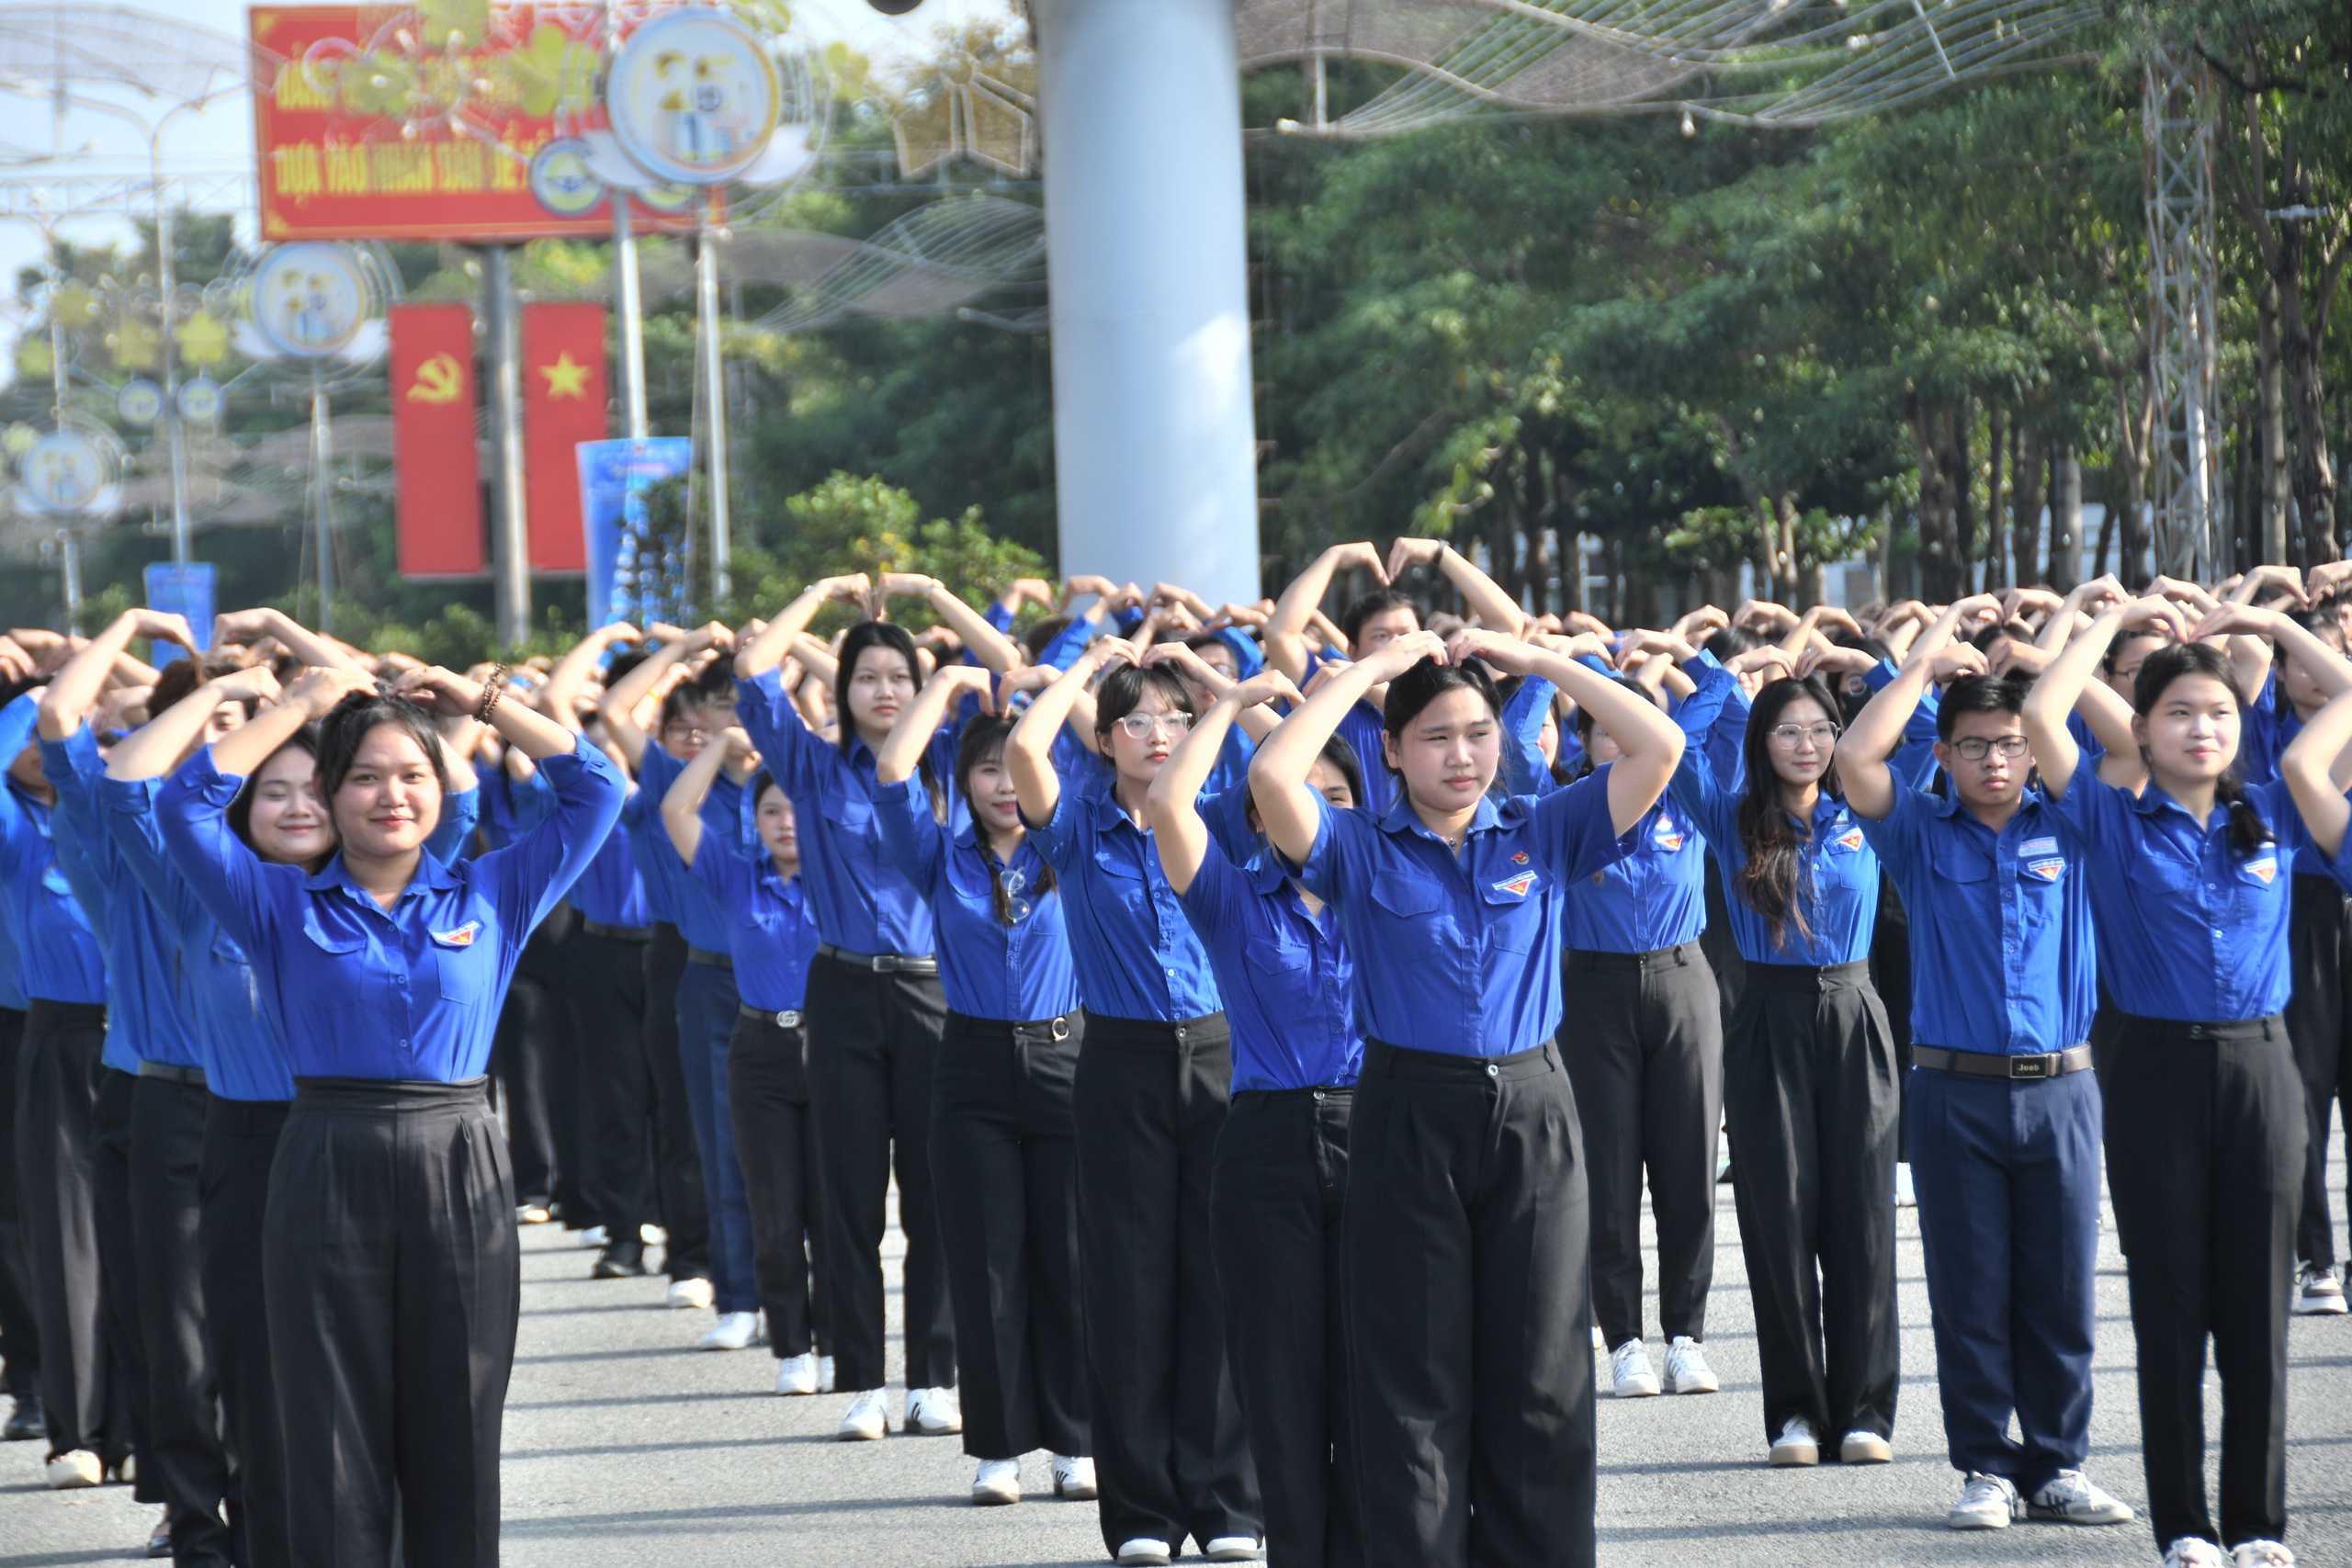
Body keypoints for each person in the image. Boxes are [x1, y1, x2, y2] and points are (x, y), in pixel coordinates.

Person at [158, 661, 623, 1568]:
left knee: (458, 1421)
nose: (391, 796)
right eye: (365, 777)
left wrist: (481, 703)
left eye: (413, 775)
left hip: (461, 1159)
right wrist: (297, 705)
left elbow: (594, 786)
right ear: (330, 795)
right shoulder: (276, 903)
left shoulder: (493, 893)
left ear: (443, 789)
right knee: (330, 1434)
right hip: (325, 1156)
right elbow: (183, 802)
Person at [1249, 627, 1682, 1568]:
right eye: (1436, 736)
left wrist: (1543, 666)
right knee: (1415, 1376)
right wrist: (1361, 673)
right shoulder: (1358, 848)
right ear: (1392, 750)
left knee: (1541, 1374)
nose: (1462, 755)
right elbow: (1277, 777)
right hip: (1407, 1110)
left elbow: (1660, 747)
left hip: (1533, 1108)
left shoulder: (1542, 827)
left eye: (1479, 733)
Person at [2022, 598, 2352, 1568]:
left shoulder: (2283, 812)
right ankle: (2186, 1528)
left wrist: (2267, 619)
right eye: (2176, 713)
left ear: (2238, 723)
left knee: (2256, 1310)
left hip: (2263, 1067)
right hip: (2154, 1070)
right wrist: (2112, 615)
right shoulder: (2109, 822)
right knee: (2169, 1308)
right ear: (2141, 727)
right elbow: (2045, 714)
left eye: (2216, 711)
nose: (2200, 727)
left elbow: (2341, 700)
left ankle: (2253, 1523)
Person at [1835, 644, 2139, 1532]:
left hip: (2063, 1091)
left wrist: (2055, 666)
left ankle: (2058, 1463)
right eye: (1974, 746)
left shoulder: (2080, 822)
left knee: (2060, 1288)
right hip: (1952, 1092)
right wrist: (1923, 666)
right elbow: (1856, 758)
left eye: (2011, 742)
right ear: (1945, 754)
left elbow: (2128, 753)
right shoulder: (1921, 833)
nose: (1996, 760)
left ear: (2036, 747)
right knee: (1968, 1287)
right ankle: (1986, 1466)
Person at [735, 572, 1020, 1439]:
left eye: (900, 675)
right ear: (841, 686)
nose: (885, 690)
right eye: (868, 676)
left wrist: (929, 590)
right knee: (850, 1191)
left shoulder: (945, 761)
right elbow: (753, 671)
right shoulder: (811, 763)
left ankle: (935, 1375)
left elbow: (1007, 665)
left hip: (936, 986)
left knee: (935, 1192)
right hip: (844, 985)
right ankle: (861, 1378)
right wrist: (821, 593)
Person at [1007, 636, 1262, 1567]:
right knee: (1128, 1287)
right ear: (1106, 738)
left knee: (1218, 1276)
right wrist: (1076, 671)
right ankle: (1142, 1515)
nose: (1159, 733)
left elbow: (1290, 761)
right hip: (1115, 1060)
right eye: (1138, 721)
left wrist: (1220, 692)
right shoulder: (1075, 826)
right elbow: (1024, 754)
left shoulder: (1222, 818)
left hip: (1223, 1053)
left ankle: (1229, 1501)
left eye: (1173, 719)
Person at [1148, 666, 1363, 1568]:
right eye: (1295, 793)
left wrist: (1356, 684)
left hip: (1377, 1133)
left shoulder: (1386, 889)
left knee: (1373, 1369)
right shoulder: (1231, 898)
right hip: (1266, 1142)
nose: (1313, 809)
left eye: (1338, 794)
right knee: (1279, 1377)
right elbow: (1166, 803)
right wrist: (1229, 705)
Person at [1666, 645, 1899, 1469]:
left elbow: (1921, 726)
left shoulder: (1865, 808)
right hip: (1766, 1017)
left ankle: (1867, 1407)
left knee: (1864, 1216)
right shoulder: (1732, 817)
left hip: (1854, 1011)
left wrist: (1871, 662)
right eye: (1788, 731)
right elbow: (1672, 749)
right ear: (1761, 742)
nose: (1807, 744)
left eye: (1822, 729)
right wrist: (1720, 678)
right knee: (1780, 1218)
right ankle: (1795, 1411)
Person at [875, 663, 1095, 1507]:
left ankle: (1078, 1442)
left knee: (1069, 1259)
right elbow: (894, 770)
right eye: (986, 769)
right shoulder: (939, 854)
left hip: (1068, 1057)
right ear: (964, 780)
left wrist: (1059, 682)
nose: (1006, 784)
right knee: (987, 1261)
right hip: (967, 1065)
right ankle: (999, 1447)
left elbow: (1089, 751)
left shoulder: (1071, 844)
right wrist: (949, 681)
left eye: (1017, 767)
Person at [1497, 643, 1724, 1401]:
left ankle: (1686, 1334)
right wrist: (1556, 662)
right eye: (1604, 730)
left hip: (1682, 979)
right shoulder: (1562, 813)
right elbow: (1516, 742)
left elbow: (1721, 701)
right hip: (1592, 992)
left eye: (1635, 728)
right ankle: (1623, 1336)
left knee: (1689, 1164)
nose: (1622, 743)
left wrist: (1686, 654)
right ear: (1587, 741)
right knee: (1609, 1168)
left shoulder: (1684, 799)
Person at [661, 723, 832, 1396]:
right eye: (770, 810)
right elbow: (677, 810)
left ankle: (838, 1341)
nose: (785, 821)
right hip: (758, 1047)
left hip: (831, 1048)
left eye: (795, 807)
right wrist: (722, 745)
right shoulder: (736, 878)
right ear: (753, 820)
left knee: (837, 1209)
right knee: (774, 1207)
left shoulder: (845, 877)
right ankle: (790, 1341)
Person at [603, 630, 763, 1349]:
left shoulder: (792, 778)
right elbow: (615, 712)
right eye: (723, 707)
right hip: (704, 974)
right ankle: (735, 1291)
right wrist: (686, 648)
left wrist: (769, 648)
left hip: (795, 977)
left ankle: (799, 1298)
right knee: (718, 1140)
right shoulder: (680, 779)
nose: (736, 721)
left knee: (797, 1151)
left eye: (746, 706)